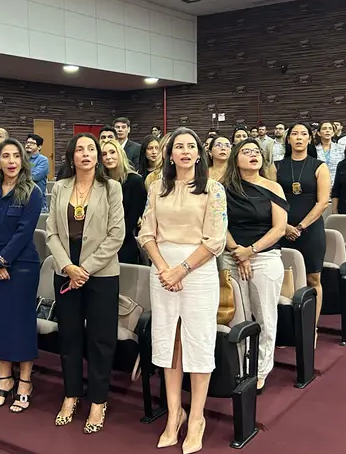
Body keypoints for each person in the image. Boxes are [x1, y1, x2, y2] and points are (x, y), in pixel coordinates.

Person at [138, 127, 226, 453]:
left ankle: (197, 418)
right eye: (179, 147)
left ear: (199, 153)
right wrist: (164, 268)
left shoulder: (213, 190)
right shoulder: (157, 188)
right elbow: (146, 233)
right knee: (168, 343)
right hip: (162, 273)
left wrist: (182, 269)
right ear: (170, 154)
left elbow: (215, 240)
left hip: (198, 273)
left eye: (191, 146)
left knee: (198, 344)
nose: (186, 151)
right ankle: (174, 414)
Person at [47, 133, 124, 434]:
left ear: (99, 156)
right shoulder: (60, 188)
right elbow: (51, 232)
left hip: (101, 274)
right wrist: (68, 266)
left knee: (101, 340)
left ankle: (98, 400)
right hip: (66, 271)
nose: (86, 154)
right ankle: (70, 395)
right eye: (80, 149)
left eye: (91, 149)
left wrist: (85, 270)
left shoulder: (111, 188)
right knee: (69, 336)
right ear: (71, 156)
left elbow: (116, 235)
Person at [0, 138, 43, 412]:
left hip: (23, 266)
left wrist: (3, 260)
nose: (12, 161)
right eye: (6, 156)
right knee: (0, 323)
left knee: (22, 324)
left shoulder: (32, 191)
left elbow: (24, 232)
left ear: (23, 160)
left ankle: (25, 381)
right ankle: (5, 379)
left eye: (17, 156)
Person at [220, 139, 288, 392]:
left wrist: (250, 251)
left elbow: (279, 228)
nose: (253, 155)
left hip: (264, 258)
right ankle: (238, 366)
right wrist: (238, 251)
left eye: (256, 152)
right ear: (235, 158)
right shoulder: (223, 188)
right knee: (236, 317)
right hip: (231, 255)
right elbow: (220, 224)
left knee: (264, 316)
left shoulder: (273, 187)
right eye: (246, 152)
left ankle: (261, 370)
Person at [275, 123, 330, 346]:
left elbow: (323, 201)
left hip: (310, 229)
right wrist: (284, 226)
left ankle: (311, 327)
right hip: (280, 228)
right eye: (294, 134)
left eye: (303, 134)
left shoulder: (319, 167)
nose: (299, 138)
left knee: (312, 278)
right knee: (283, 278)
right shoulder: (277, 166)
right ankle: (287, 327)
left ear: (310, 140)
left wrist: (300, 227)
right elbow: (271, 199)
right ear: (288, 140)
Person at [100, 138, 147, 264]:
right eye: (104, 154)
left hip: (123, 244)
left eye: (112, 152)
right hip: (98, 245)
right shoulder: (99, 183)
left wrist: (109, 242)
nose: (108, 157)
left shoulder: (135, 181)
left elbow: (131, 220)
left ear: (120, 154)